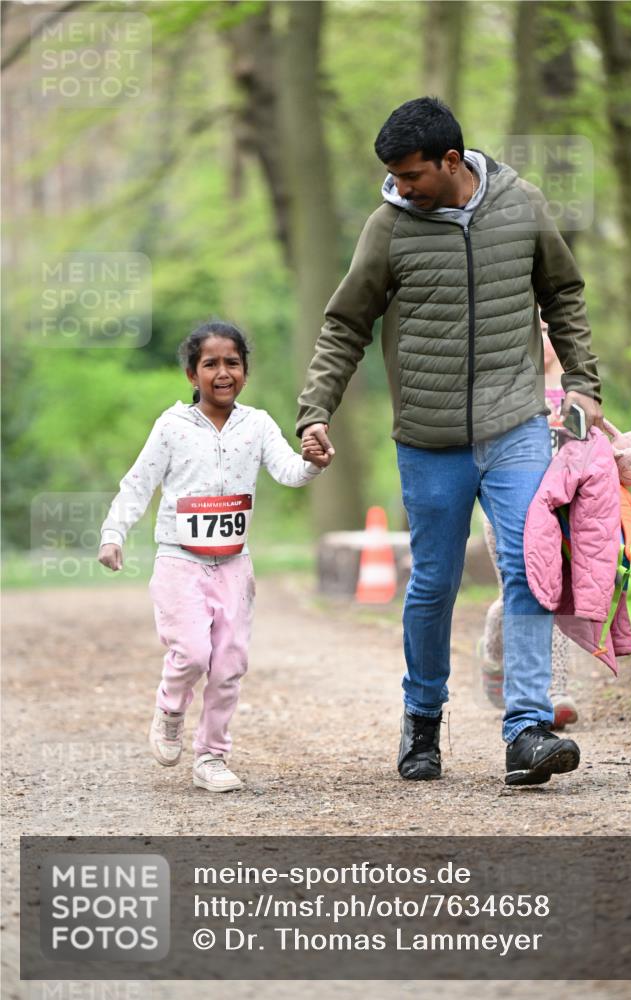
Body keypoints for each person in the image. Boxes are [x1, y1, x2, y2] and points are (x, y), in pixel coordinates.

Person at [299, 97, 603, 787]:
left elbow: (563, 293)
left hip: (516, 425)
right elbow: (346, 324)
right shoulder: (387, 228)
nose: (402, 189)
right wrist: (315, 407)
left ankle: (526, 729)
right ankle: (422, 718)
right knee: (432, 583)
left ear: (449, 160)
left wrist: (582, 383)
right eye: (394, 179)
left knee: (529, 570)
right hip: (428, 438)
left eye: (411, 176)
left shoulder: (520, 204)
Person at [98, 320, 328, 792]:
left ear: (245, 371)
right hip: (180, 560)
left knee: (229, 661)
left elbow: (287, 471)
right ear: (191, 373)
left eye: (232, 363)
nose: (222, 372)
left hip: (234, 566)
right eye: (210, 364)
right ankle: (170, 707)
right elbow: (138, 483)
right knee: (192, 652)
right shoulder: (172, 427)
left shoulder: (258, 424)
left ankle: (211, 756)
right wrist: (114, 533)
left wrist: (312, 462)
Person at [479, 319, 579, 729]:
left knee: (551, 594)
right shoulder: (510, 392)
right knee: (517, 595)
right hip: (508, 513)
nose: (544, 337)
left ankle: (554, 692)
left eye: (549, 327)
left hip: (561, 514)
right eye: (534, 327)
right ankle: (492, 649)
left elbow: (587, 452)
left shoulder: (576, 394)